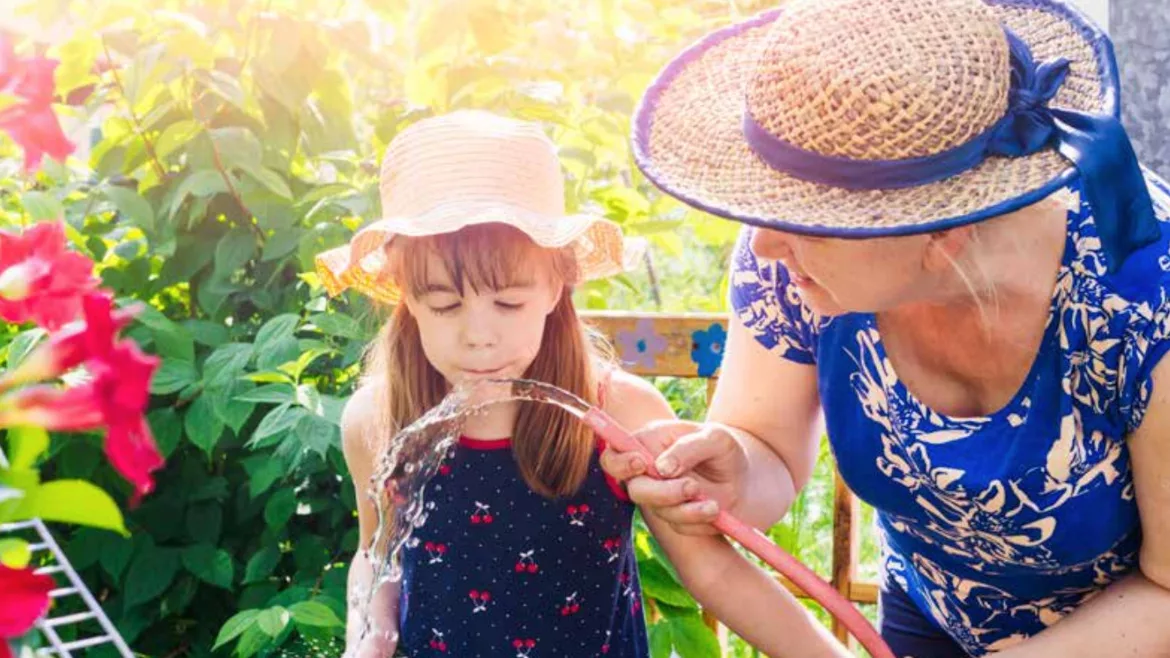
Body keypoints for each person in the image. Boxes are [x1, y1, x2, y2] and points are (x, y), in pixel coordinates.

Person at [602, 0, 1170, 656]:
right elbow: (768, 449)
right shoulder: (800, 267)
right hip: (926, 618)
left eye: (807, 218)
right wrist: (735, 468)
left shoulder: (1140, 304)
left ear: (941, 230)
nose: (763, 247)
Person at [317, 111, 830, 658]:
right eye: (444, 305)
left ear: (557, 283)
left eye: (509, 302)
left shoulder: (618, 414)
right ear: (404, 295)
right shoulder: (377, 420)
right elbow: (376, 554)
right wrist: (368, 640)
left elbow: (714, 573)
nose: (479, 337)